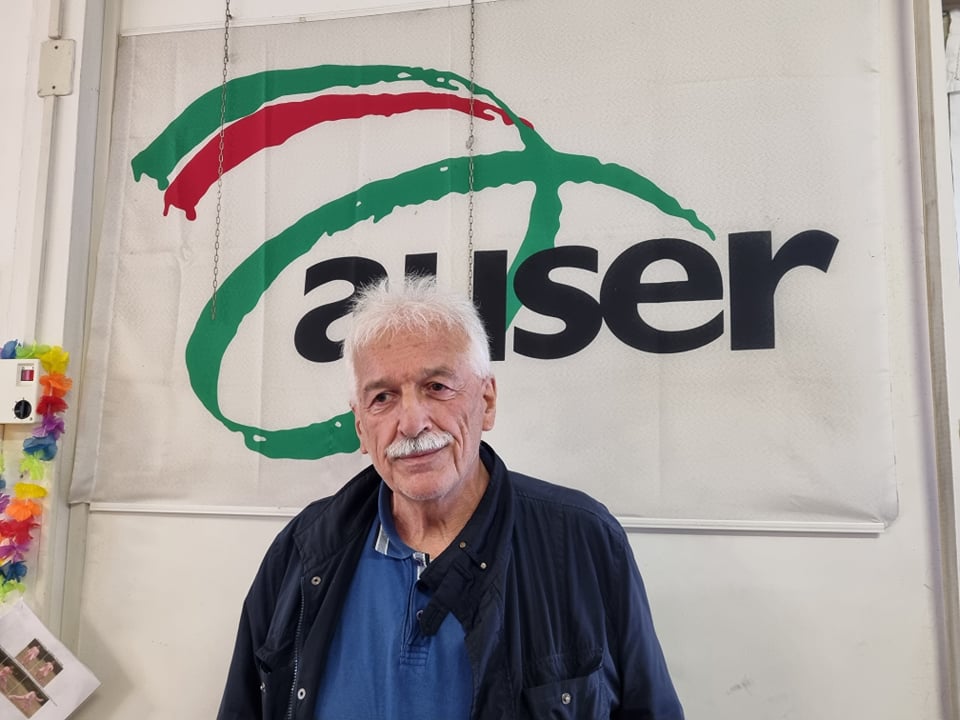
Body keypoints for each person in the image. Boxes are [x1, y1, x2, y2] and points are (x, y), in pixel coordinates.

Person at [217, 275, 683, 719]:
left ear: (488, 401)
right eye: (383, 398)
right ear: (360, 426)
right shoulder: (302, 551)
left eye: (437, 387)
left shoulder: (583, 542)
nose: (412, 422)